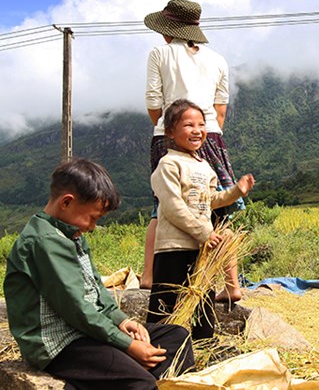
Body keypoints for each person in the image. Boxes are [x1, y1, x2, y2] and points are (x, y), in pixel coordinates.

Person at [4, 158, 194, 389]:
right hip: (61, 343)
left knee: (177, 337)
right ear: (66, 202)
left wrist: (122, 321)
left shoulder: (72, 234)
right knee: (140, 382)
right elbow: (77, 310)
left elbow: (97, 288)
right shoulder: (43, 242)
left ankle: (128, 377)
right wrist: (127, 345)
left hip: (89, 331)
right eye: (92, 218)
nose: (92, 227)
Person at [142, 0, 245, 303]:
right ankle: (232, 284)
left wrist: (170, 129)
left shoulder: (159, 53)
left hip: (171, 134)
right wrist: (206, 132)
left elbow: (154, 104)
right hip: (210, 136)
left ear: (167, 29)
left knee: (164, 205)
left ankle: (149, 275)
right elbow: (220, 109)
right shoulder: (218, 60)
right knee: (217, 210)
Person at [146, 99, 255, 340]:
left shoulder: (205, 166)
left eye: (201, 124)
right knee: (165, 303)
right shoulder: (168, 164)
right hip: (174, 248)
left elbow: (210, 200)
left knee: (203, 300)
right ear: (170, 132)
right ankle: (155, 346)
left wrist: (236, 192)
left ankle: (204, 344)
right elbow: (173, 207)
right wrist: (204, 232)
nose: (197, 130)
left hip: (202, 248)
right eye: (188, 125)